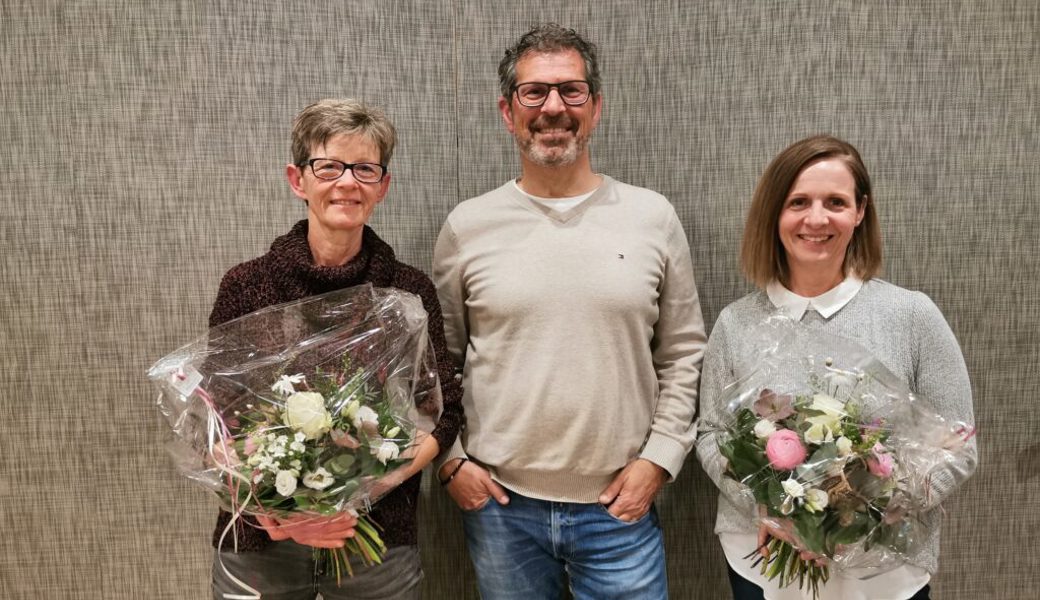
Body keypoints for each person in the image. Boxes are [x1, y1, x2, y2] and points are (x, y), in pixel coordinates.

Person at [432, 23, 706, 600]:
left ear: (595, 107)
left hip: (620, 510)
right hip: (501, 509)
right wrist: (452, 462)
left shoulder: (652, 217)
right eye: (534, 93)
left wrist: (659, 461)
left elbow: (683, 354)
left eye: (571, 91)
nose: (553, 107)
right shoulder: (467, 226)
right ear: (508, 112)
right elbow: (436, 365)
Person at [695, 134, 978, 600]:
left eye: (836, 202)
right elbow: (711, 434)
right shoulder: (736, 323)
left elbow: (958, 444)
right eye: (798, 202)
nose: (816, 219)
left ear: (860, 211)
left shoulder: (911, 315)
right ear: (775, 213)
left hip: (886, 572)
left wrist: (857, 517)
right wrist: (777, 512)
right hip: (765, 565)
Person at [208, 98, 463, 599]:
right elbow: (212, 419)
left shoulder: (408, 293)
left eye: (365, 168)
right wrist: (276, 513)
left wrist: (356, 493)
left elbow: (443, 411)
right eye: (328, 166)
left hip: (378, 540)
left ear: (382, 186)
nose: (348, 182)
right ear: (297, 179)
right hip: (260, 541)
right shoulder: (246, 285)